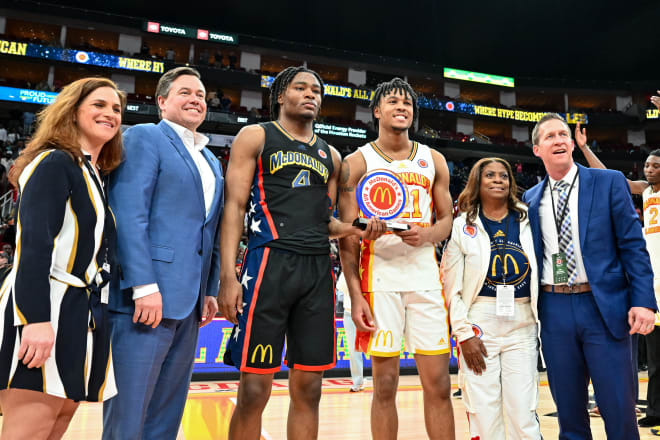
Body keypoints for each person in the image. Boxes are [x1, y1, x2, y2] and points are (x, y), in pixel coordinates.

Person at [219, 66, 383, 440]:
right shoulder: (255, 136)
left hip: (316, 273)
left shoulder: (330, 155)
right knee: (254, 390)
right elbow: (234, 208)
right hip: (268, 265)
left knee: (310, 388)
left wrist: (362, 227)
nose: (311, 94)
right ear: (280, 95)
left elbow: (328, 223)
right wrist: (228, 276)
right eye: (301, 88)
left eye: (317, 91)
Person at [0, 77, 125, 439]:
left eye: (116, 108)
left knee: (53, 427)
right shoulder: (55, 162)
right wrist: (35, 320)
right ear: (71, 111)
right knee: (29, 430)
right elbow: (33, 245)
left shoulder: (92, 172)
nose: (110, 113)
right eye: (99, 105)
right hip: (46, 308)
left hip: (79, 311)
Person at [103, 67, 224, 440]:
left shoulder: (212, 161)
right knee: (129, 412)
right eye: (185, 92)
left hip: (189, 305)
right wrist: (142, 285)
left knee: (166, 414)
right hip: (147, 298)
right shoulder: (144, 137)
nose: (196, 100)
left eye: (201, 95)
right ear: (162, 102)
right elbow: (128, 215)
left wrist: (211, 289)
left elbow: (211, 233)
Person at [522, 113, 657, 439]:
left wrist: (643, 301)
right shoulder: (530, 199)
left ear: (571, 143)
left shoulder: (608, 181)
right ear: (537, 149)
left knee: (619, 410)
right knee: (569, 414)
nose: (559, 140)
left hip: (604, 306)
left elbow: (633, 246)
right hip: (554, 309)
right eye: (550, 136)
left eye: (563, 135)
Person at [338, 77, 455, 440]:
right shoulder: (357, 162)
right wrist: (355, 293)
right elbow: (345, 232)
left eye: (407, 103)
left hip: (424, 277)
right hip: (380, 279)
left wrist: (428, 234)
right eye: (393, 101)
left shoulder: (433, 159)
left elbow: (447, 219)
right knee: (384, 385)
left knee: (437, 384)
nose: (401, 107)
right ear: (377, 111)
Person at [441, 157, 541, 439]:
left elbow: (552, 260)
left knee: (523, 411)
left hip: (523, 322)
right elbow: (452, 289)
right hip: (480, 324)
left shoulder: (528, 219)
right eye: (490, 175)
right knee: (483, 411)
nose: (498, 180)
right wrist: (463, 334)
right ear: (477, 182)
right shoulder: (462, 226)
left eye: (504, 176)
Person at [574, 113, 660, 427]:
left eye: (655, 165)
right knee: (653, 358)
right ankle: (654, 411)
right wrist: (584, 149)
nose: (648, 169)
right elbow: (611, 177)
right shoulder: (646, 191)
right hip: (651, 279)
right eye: (647, 165)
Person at [336, 272, 365, 392]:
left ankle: (380, 380)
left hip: (369, 312)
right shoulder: (348, 267)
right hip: (349, 312)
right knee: (353, 350)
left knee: (375, 348)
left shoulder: (369, 265)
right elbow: (340, 285)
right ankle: (358, 382)